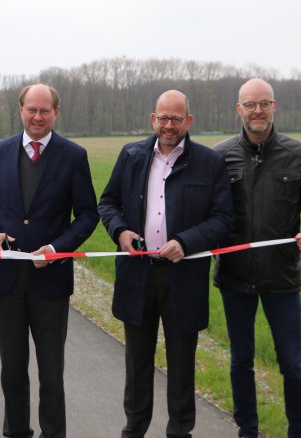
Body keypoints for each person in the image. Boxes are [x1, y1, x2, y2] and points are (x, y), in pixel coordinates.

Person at [98, 90, 234, 438]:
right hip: (138, 275)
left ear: (189, 121)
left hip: (184, 278)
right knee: (137, 364)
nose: (169, 125)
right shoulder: (131, 155)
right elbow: (108, 202)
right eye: (163, 118)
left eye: (177, 118)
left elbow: (222, 219)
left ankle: (179, 432)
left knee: (182, 365)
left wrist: (186, 242)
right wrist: (120, 231)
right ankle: (135, 429)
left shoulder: (209, 162)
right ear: (152, 119)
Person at [0, 83, 99, 438]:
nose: (38, 116)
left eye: (45, 110)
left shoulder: (73, 156)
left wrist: (58, 248)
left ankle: (53, 433)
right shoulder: (0, 151)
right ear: (21, 110)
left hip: (51, 282)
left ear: (56, 112)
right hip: (7, 279)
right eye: (32, 109)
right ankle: (16, 432)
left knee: (51, 372)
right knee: (12, 369)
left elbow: (88, 214)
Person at [212, 78, 301, 438]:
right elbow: (207, 213)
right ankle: (248, 430)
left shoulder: (298, 154)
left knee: (292, 363)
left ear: (274, 106)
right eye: (250, 104)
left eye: (263, 103)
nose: (257, 111)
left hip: (282, 278)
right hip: (234, 278)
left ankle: (299, 432)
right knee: (240, 360)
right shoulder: (219, 156)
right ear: (239, 110)